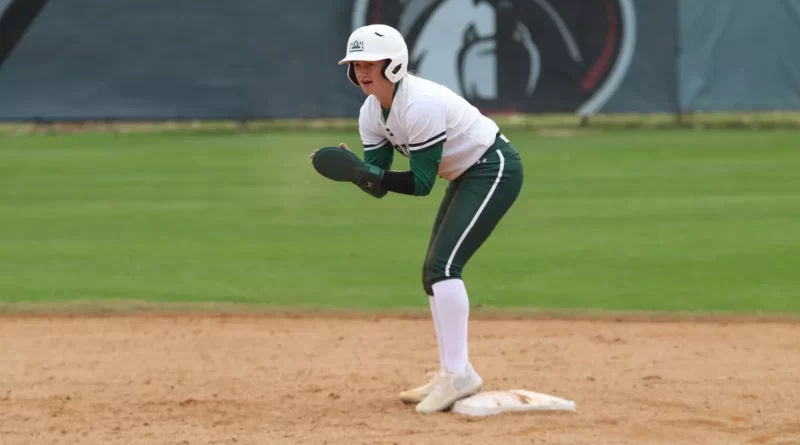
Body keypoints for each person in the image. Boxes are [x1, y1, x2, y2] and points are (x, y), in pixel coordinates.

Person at [309, 24, 524, 414]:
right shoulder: (371, 111)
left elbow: (422, 183)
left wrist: (367, 174)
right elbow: (377, 184)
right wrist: (359, 173)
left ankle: (458, 376)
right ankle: (453, 373)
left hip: (493, 169)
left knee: (444, 267)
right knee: (433, 273)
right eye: (355, 63)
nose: (361, 71)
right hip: (464, 174)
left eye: (369, 62)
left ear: (394, 64)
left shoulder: (419, 104)